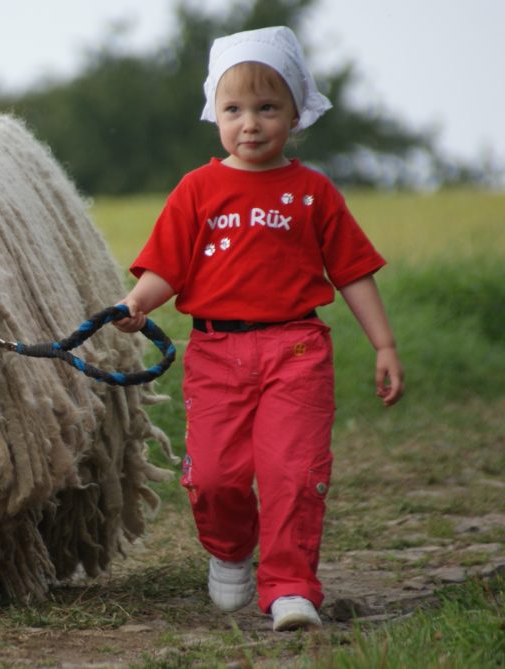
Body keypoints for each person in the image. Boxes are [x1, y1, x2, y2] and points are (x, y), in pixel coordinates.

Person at [115, 26, 405, 631]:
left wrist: (384, 344)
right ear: (214, 114)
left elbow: (352, 272)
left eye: (267, 108)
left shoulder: (313, 192)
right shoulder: (197, 190)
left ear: (296, 113)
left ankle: (291, 587)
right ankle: (229, 551)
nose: (250, 123)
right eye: (235, 109)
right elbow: (167, 266)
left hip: (296, 350)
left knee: (293, 475)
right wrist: (138, 303)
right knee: (215, 478)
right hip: (217, 353)